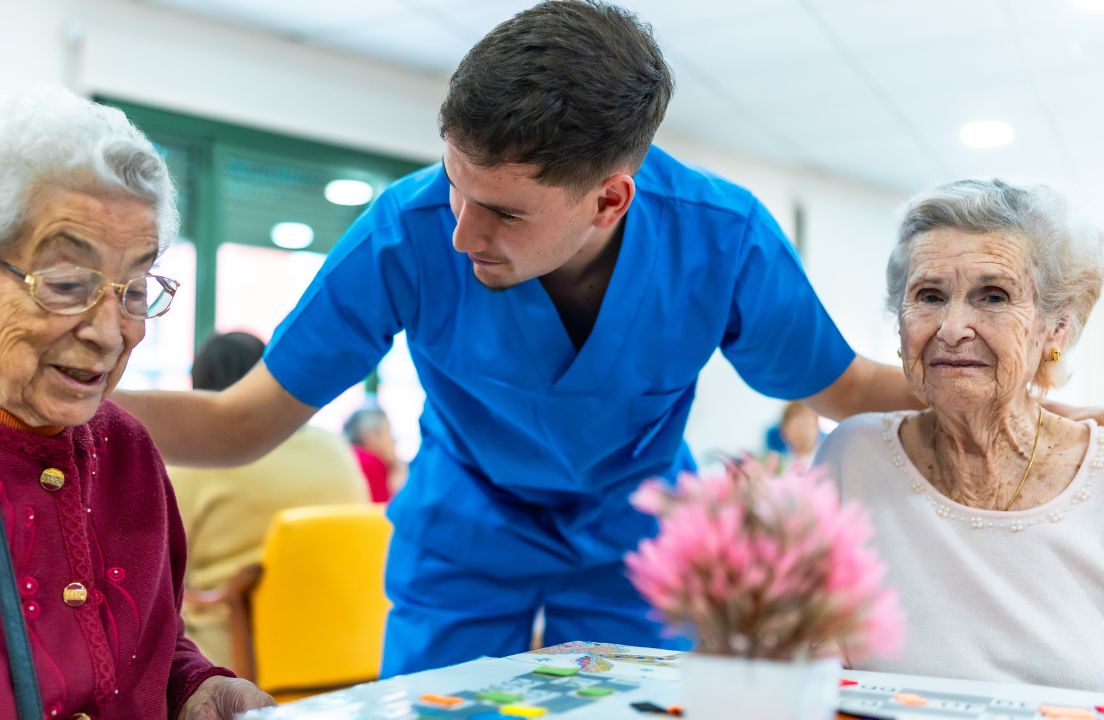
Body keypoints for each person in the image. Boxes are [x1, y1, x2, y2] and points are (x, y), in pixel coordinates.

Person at [114, 1, 922, 675]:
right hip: (465, 532)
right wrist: (60, 398)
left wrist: (981, 388)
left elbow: (846, 387)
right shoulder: (404, 232)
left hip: (634, 537)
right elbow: (241, 422)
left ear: (609, 201)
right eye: (455, 183)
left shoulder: (721, 238)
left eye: (503, 212)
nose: (462, 234)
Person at [0, 86, 273, 717]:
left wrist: (194, 687)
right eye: (66, 284)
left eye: (134, 289)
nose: (110, 333)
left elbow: (145, 645)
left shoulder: (126, 451)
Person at [816, 179, 1104, 690]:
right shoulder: (851, 457)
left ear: (1056, 328)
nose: (952, 328)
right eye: (929, 296)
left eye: (993, 296)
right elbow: (806, 663)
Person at [172, 331, 368, 667]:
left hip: (238, 658)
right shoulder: (334, 448)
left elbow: (156, 565)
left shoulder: (196, 461)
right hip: (351, 647)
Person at [343, 405, 406, 502]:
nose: (394, 440)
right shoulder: (372, 463)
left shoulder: (346, 456)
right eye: (388, 432)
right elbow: (385, 509)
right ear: (370, 436)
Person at [765, 400, 824, 465]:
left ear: (817, 427)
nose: (802, 431)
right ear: (784, 431)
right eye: (797, 426)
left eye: (807, 424)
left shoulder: (826, 457)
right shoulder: (778, 463)